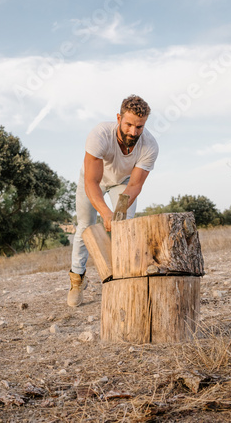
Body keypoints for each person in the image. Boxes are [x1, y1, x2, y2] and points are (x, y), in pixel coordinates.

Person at [67, 94, 159, 308]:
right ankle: (77, 280)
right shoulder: (99, 135)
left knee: (125, 224)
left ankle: (124, 278)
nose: (133, 132)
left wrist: (117, 214)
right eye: (128, 125)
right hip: (93, 181)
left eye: (139, 127)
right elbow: (91, 182)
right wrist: (106, 214)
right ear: (118, 118)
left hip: (123, 183)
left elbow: (135, 186)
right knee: (85, 227)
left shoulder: (150, 146)